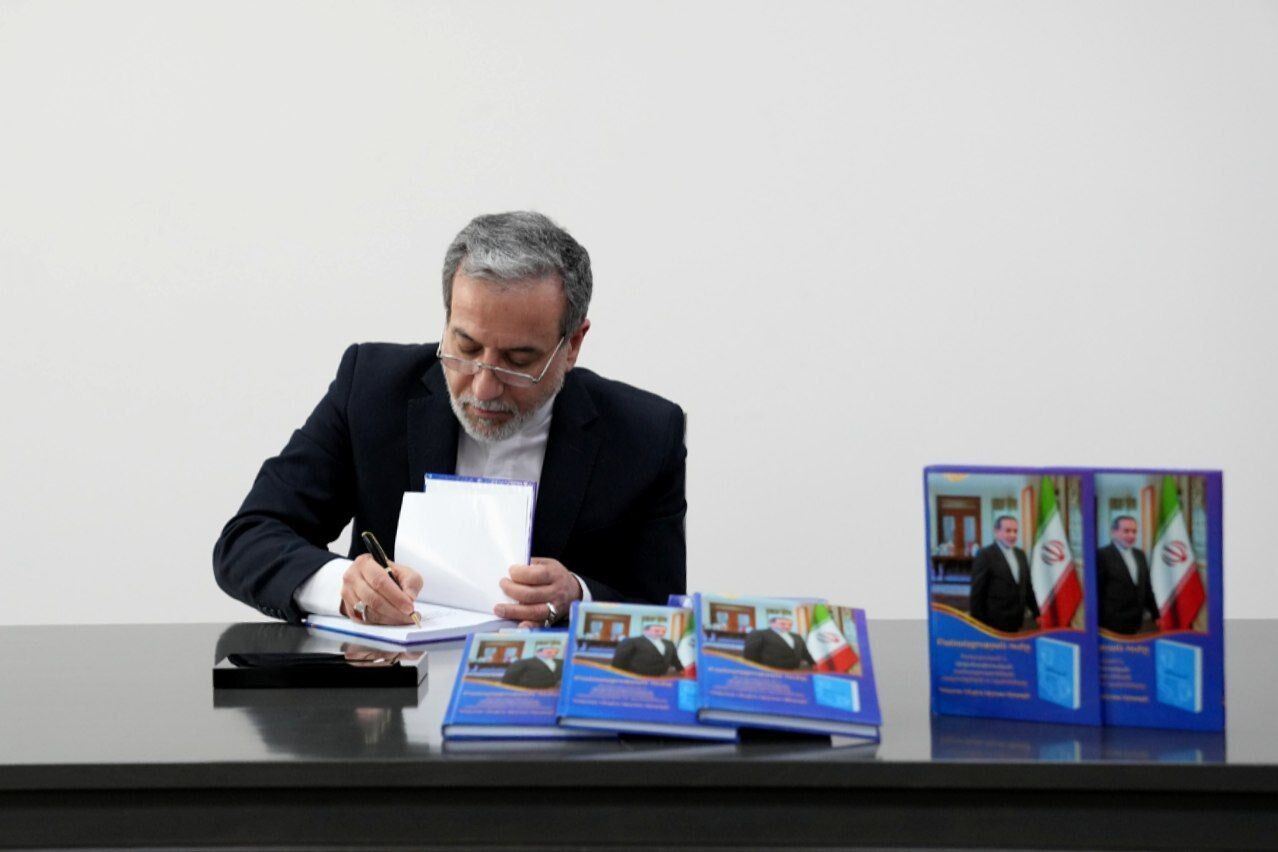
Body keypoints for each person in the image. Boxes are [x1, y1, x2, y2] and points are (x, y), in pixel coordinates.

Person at [213, 212, 687, 628]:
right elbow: (248, 539)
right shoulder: (371, 390)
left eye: (519, 360)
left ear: (573, 345)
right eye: (466, 347)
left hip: (548, 692)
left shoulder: (646, 434)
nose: (483, 387)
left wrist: (579, 598)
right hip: (388, 692)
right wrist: (343, 585)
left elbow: (664, 615)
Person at [969, 516, 1039, 633]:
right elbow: (977, 594)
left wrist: (1036, 613)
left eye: (1015, 531)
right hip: (993, 623)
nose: (1012, 535)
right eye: (1008, 531)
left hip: (1016, 620)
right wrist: (978, 626)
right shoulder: (985, 555)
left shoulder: (1021, 554)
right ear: (996, 532)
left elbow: (1027, 587)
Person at [1097, 515, 1159, 634]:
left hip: (1137, 623)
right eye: (1126, 531)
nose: (1131, 536)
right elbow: (1098, 592)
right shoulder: (1101, 555)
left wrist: (1156, 615)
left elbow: (1147, 588)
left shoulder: (1139, 555)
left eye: (1134, 532)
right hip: (1111, 625)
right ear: (1113, 532)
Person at [742, 612, 813, 670]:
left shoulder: (797, 636)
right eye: (782, 624)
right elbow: (750, 654)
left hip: (795, 671)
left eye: (790, 625)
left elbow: (805, 652)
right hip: (770, 671)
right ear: (772, 623)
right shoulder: (759, 634)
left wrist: (813, 664)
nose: (787, 626)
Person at [611, 620, 682, 676]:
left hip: (662, 678)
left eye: (663, 631)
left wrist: (681, 669)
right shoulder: (631, 641)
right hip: (637, 676)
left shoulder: (669, 643)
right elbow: (619, 660)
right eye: (657, 631)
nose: (661, 633)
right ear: (645, 631)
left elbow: (674, 659)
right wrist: (618, 675)